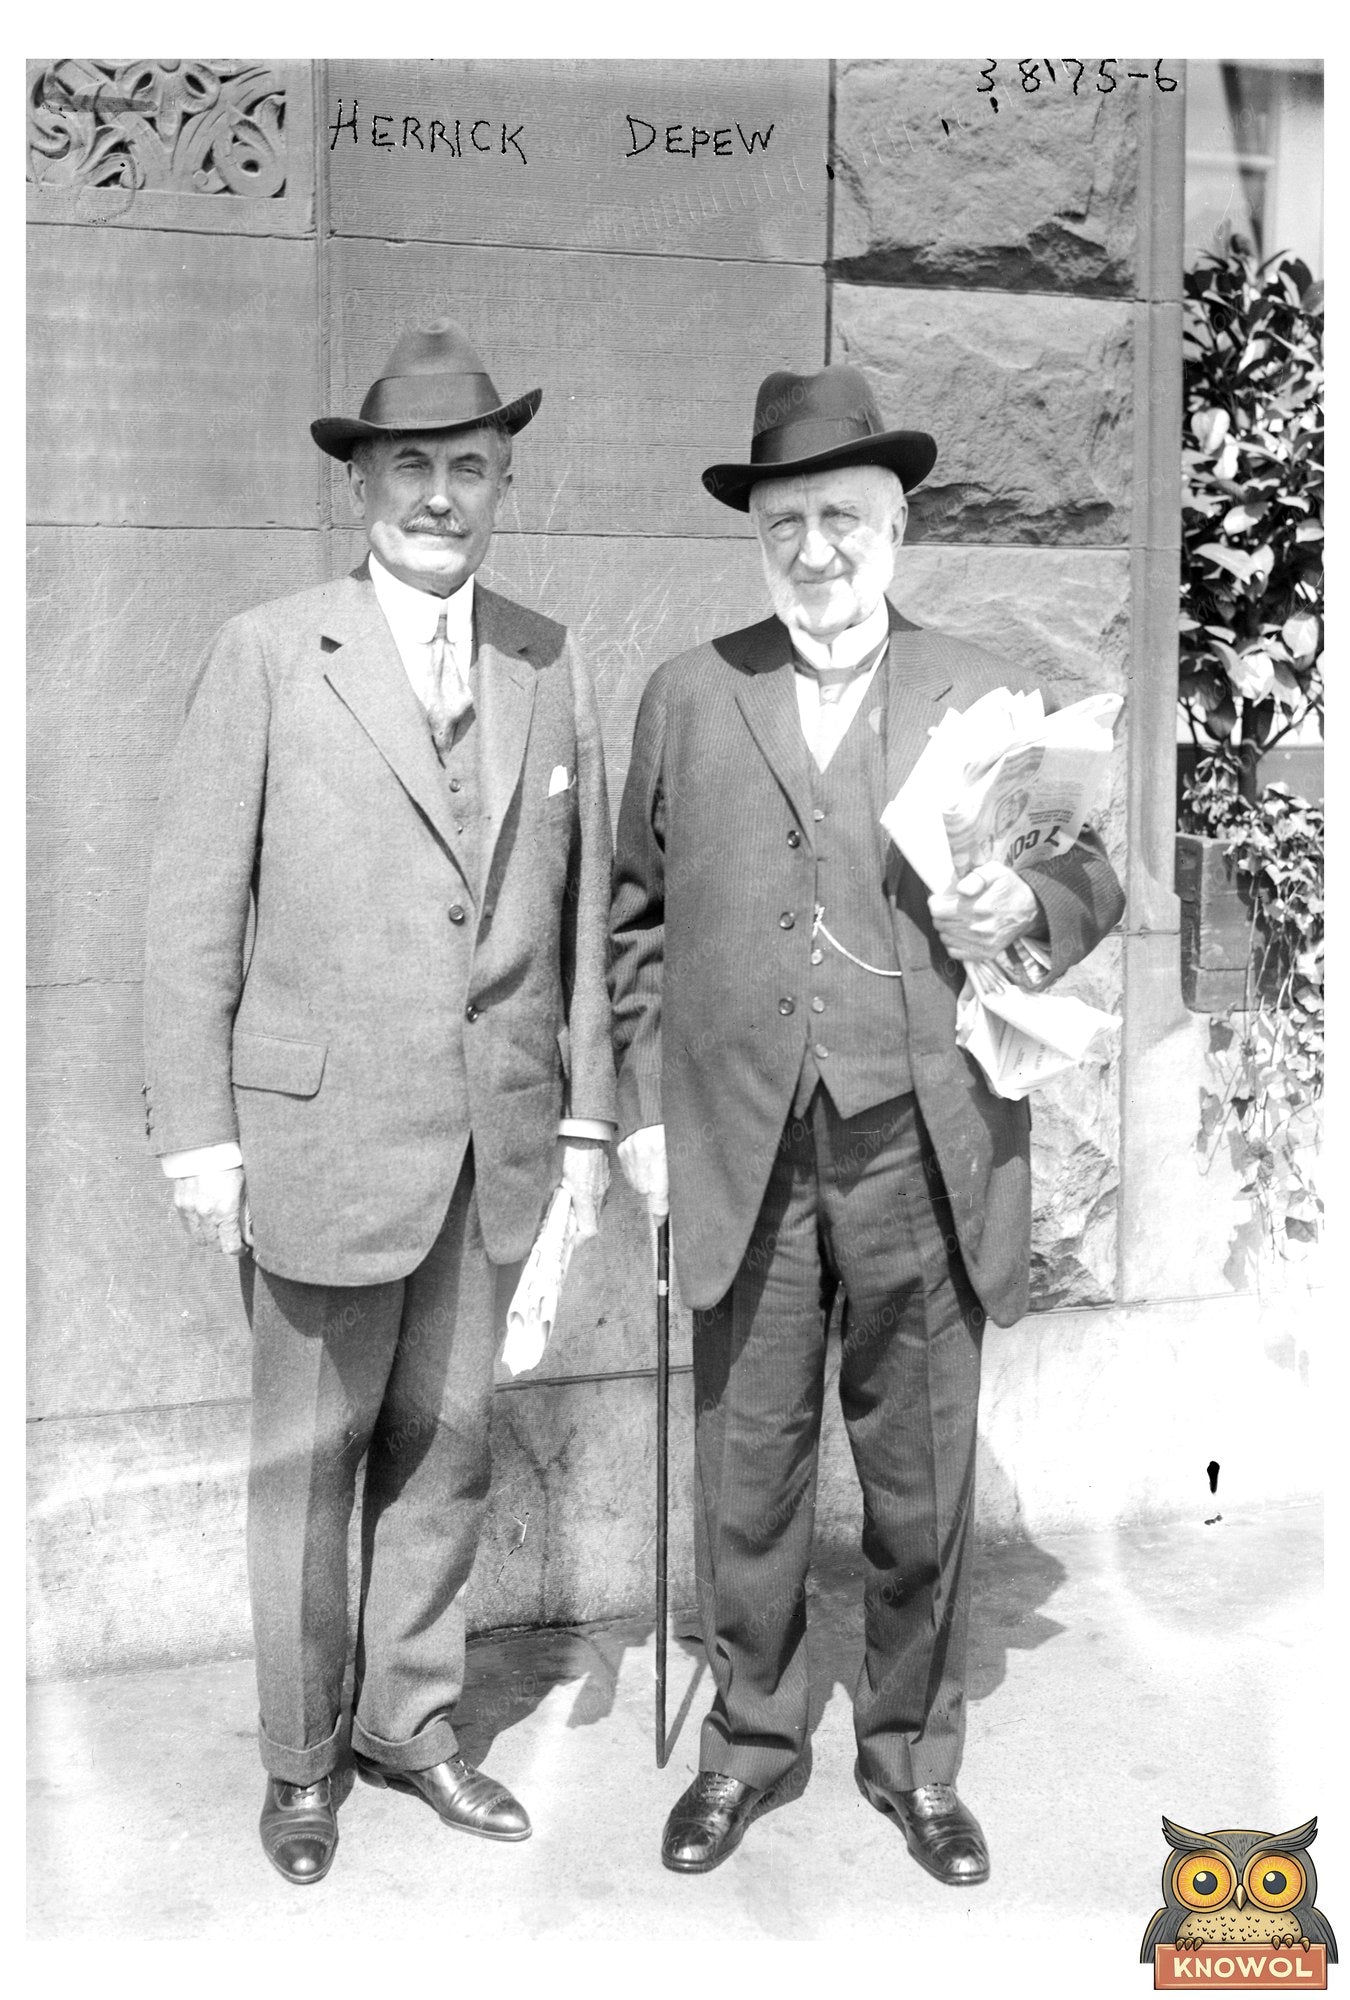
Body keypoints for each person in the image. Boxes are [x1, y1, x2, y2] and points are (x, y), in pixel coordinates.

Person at [609, 364, 1124, 1884]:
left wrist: (1024, 904)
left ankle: (913, 1757)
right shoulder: (690, 696)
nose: (815, 550)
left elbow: (1093, 876)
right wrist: (642, 1114)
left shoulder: (984, 691)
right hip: (744, 1149)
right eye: (785, 524)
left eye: (842, 518)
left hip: (921, 1142)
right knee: (748, 1469)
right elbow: (632, 929)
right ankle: (749, 1747)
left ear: (897, 528)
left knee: (920, 1474)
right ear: (756, 538)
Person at [142, 322, 615, 1885]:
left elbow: (580, 923)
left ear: (504, 485)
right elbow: (190, 917)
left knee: (446, 1450)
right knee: (308, 1464)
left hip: (493, 1147)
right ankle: (298, 1764)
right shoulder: (272, 654)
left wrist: (584, 1125)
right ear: (359, 486)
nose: (439, 495)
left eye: (469, 467)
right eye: (410, 466)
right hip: (316, 1143)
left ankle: (410, 1726)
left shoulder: (548, 660)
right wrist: (199, 1138)